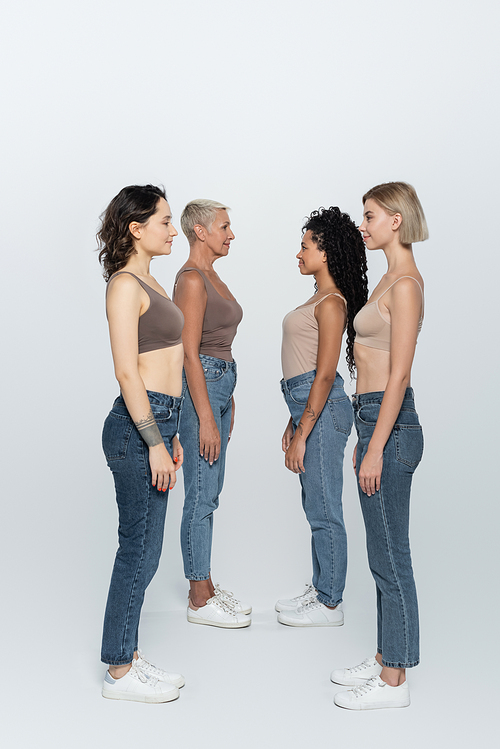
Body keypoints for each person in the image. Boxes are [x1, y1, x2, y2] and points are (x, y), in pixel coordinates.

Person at [331, 182, 428, 710]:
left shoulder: (406, 283)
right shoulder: (389, 277)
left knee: (392, 555)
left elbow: (398, 374)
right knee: (381, 551)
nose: (362, 225)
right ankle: (385, 655)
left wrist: (375, 447)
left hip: (390, 426)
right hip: (374, 423)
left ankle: (394, 680)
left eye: (369, 216)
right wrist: (367, 437)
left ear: (395, 219)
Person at [98, 184, 186, 703]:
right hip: (137, 428)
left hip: (159, 425)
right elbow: (128, 373)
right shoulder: (125, 285)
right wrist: (154, 441)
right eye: (165, 221)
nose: (172, 230)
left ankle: (126, 653)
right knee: (136, 550)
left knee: (148, 552)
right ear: (136, 228)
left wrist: (169, 436)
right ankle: (119, 672)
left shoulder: (149, 279)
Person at [276, 207, 368, 626]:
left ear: (326, 252)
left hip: (324, 410)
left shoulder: (332, 302)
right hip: (309, 407)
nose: (299, 253)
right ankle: (321, 585)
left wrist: (302, 432)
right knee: (315, 501)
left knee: (325, 505)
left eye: (305, 246)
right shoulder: (317, 297)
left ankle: (330, 601)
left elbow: (327, 374)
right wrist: (293, 421)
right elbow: (306, 366)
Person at [173, 199, 251, 628]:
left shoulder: (213, 276)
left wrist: (228, 398)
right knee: (201, 492)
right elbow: (188, 352)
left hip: (220, 384)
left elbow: (217, 344)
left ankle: (205, 584)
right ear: (200, 231)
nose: (231, 233)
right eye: (224, 226)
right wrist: (204, 415)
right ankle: (199, 596)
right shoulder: (191, 279)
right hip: (200, 385)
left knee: (211, 489)